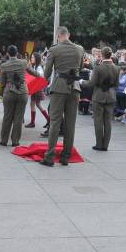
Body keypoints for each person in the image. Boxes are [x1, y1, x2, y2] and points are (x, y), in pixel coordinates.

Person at [40, 26, 85, 167]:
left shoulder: (54, 49)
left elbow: (47, 73)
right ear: (68, 35)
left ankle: (49, 157)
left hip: (59, 87)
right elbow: (81, 67)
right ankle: (66, 157)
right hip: (75, 88)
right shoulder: (79, 49)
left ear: (58, 36)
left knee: (55, 122)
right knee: (70, 125)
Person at [0, 45, 36, 146]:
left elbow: (2, 82)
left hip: (9, 92)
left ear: (7, 54)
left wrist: (0, 94)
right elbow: (33, 72)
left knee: (7, 117)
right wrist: (42, 76)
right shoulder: (23, 62)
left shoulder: (4, 65)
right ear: (17, 53)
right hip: (23, 92)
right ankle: (15, 141)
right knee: (18, 118)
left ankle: (4, 140)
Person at [86, 46, 118, 151]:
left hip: (99, 95)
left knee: (98, 121)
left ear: (102, 55)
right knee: (108, 121)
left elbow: (91, 83)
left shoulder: (98, 68)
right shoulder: (116, 68)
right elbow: (117, 85)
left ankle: (99, 144)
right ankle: (106, 145)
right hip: (111, 96)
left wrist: (81, 82)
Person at [25, 52, 49, 128]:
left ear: (36, 59)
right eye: (31, 57)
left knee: (36, 104)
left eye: (32, 57)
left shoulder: (38, 67)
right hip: (35, 88)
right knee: (35, 104)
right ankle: (47, 120)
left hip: (37, 89)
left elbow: (40, 75)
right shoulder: (35, 66)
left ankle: (47, 120)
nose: (31, 59)